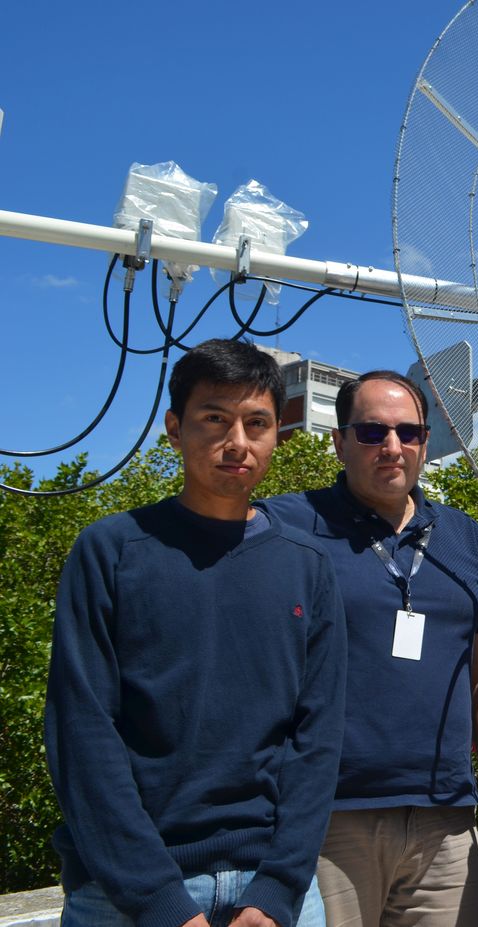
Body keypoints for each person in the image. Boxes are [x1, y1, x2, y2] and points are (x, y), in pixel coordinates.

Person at [45, 338, 346, 927]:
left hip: (272, 891)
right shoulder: (112, 551)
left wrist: (279, 890)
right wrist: (160, 902)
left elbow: (318, 740)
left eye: (257, 423)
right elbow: (82, 735)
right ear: (174, 429)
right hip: (127, 897)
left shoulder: (306, 566)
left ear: (276, 436)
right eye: (215, 418)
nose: (238, 442)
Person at [261, 371, 478, 927]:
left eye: (409, 432)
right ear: (339, 440)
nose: (392, 447)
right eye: (371, 432)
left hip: (445, 822)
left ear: (426, 442)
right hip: (325, 821)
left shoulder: (464, 537)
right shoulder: (284, 524)